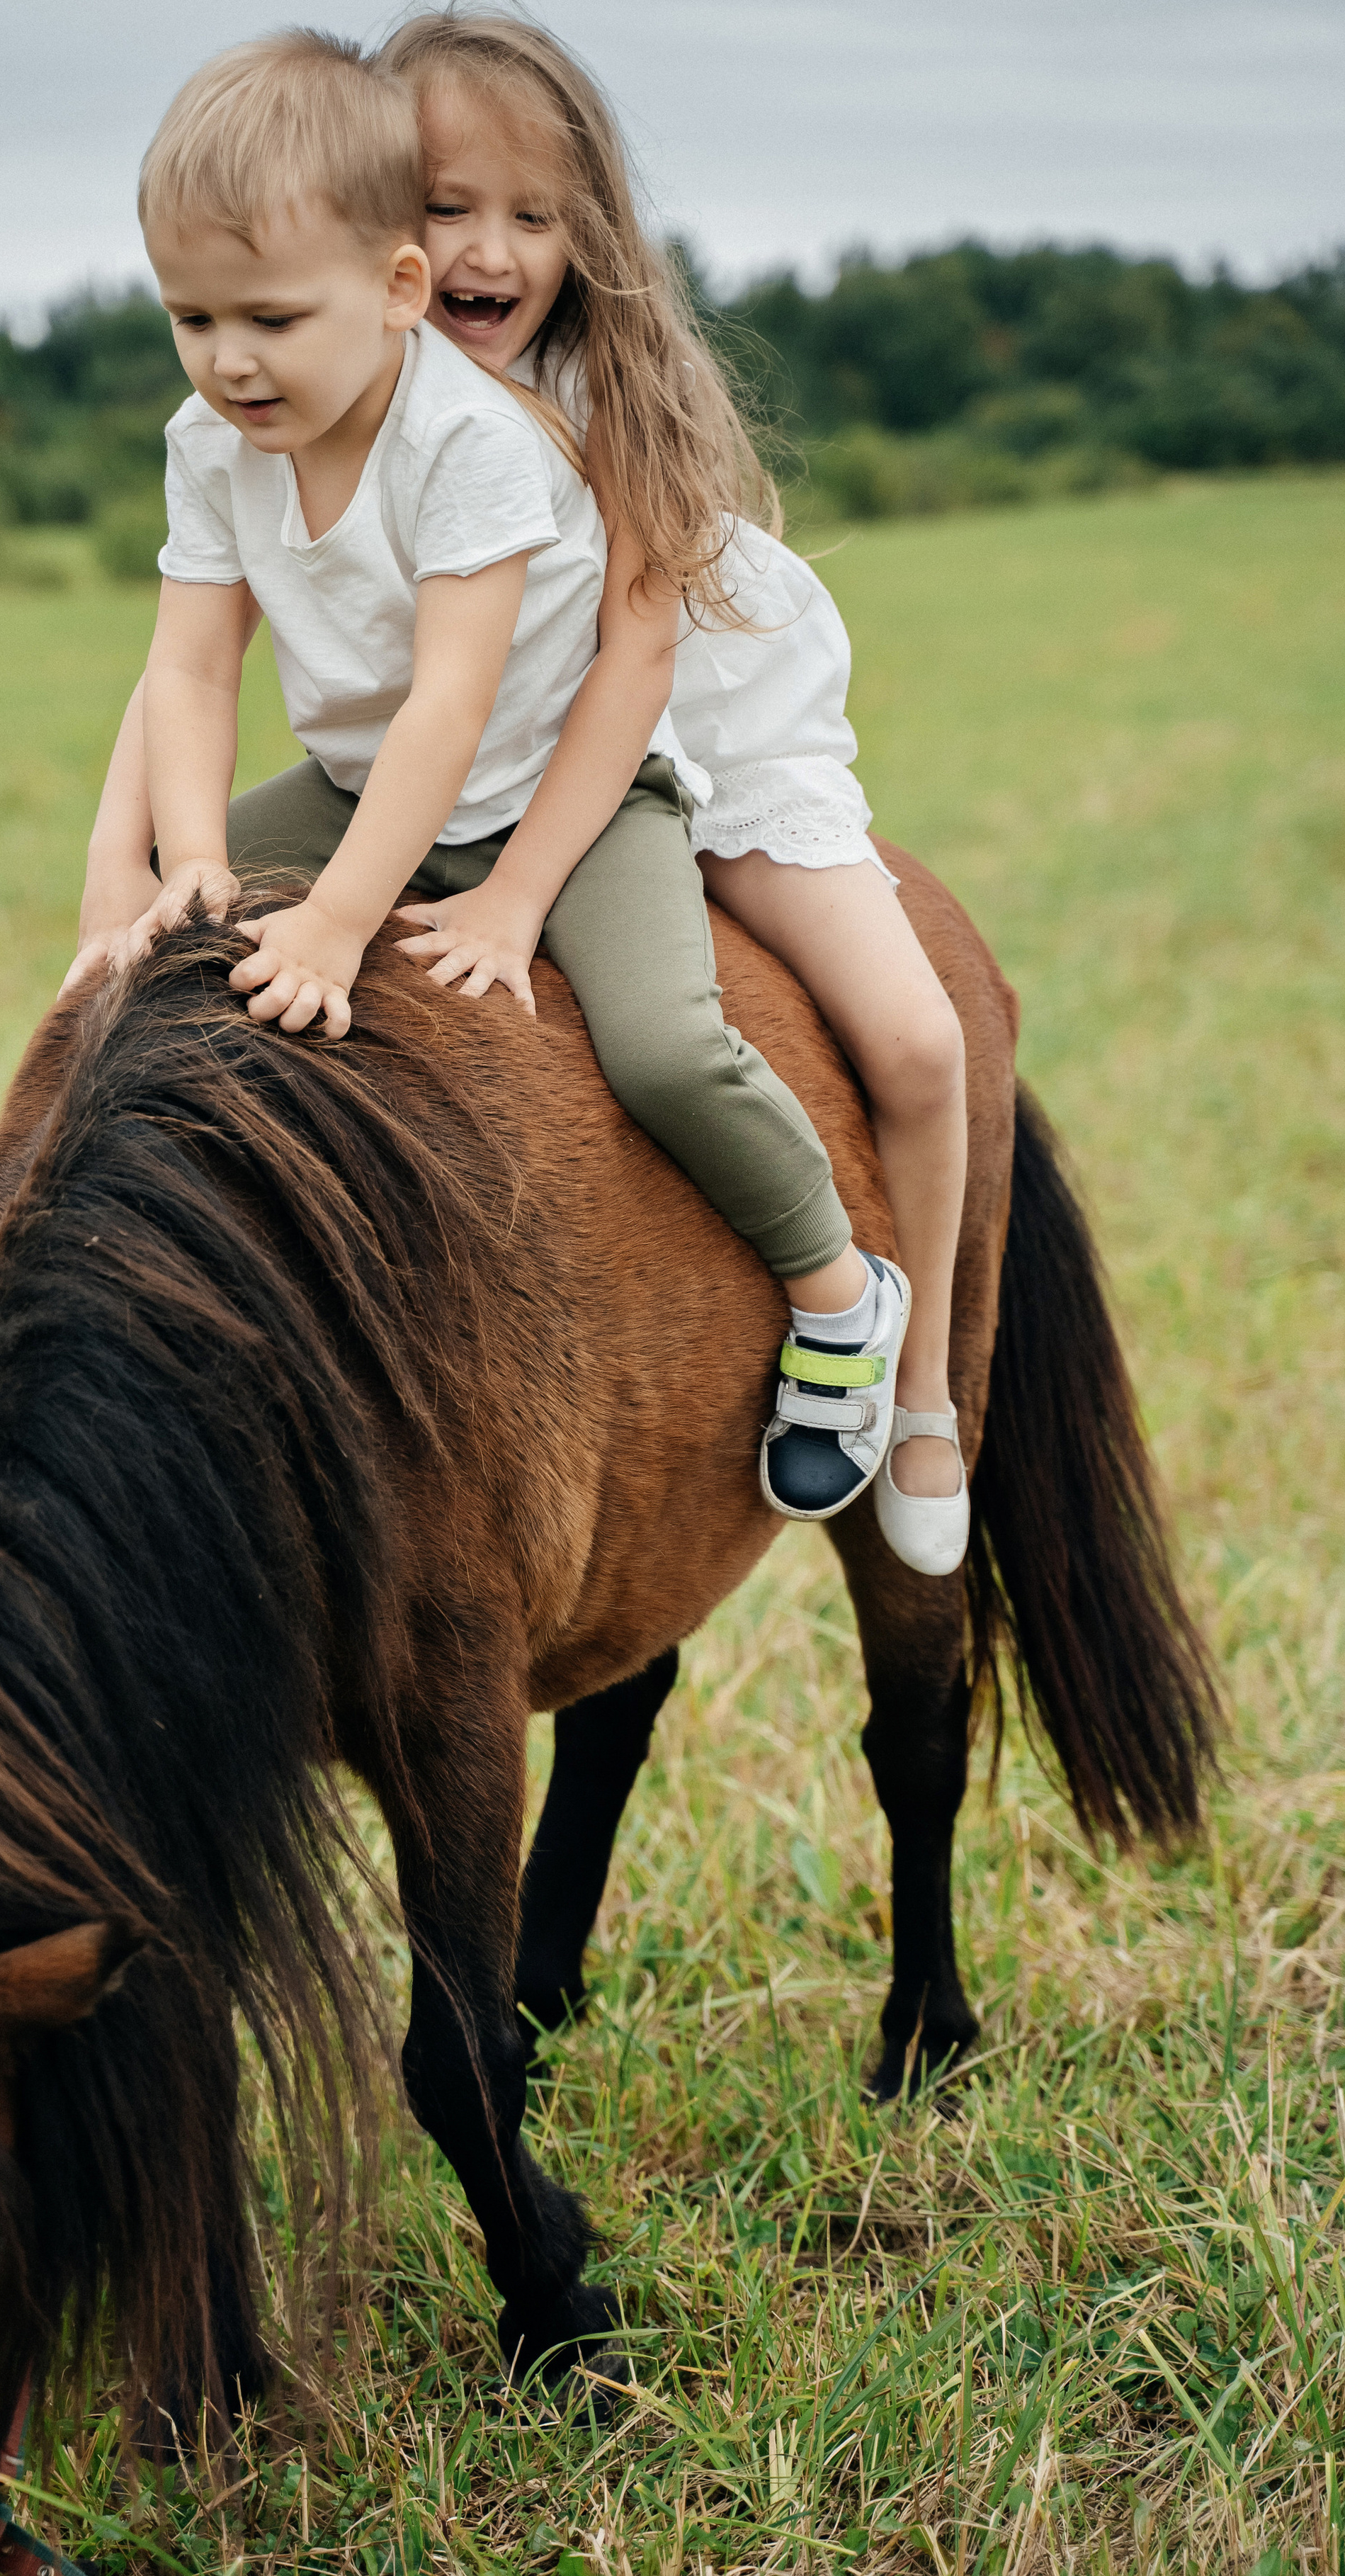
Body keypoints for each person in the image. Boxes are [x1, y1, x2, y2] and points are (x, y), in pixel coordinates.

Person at [0, 27, 916, 1542]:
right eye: (190, 318)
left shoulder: (469, 447)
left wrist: (342, 923)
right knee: (122, 961)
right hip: (354, 781)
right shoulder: (214, 437)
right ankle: (30, 1212)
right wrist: (179, 863)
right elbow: (187, 670)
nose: (229, 360)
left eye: (267, 317)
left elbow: (454, 707)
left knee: (663, 1044)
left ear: (391, 294)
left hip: (551, 804)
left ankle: (837, 1294)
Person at [366, 10, 973, 1578]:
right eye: (445, 207)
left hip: (698, 744)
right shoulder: (352, 381)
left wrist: (509, 894)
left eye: (533, 214)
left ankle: (914, 1395)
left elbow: (633, 674)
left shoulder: (605, 388)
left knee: (912, 1041)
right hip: (489, 766)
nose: (488, 249)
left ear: (590, 232)